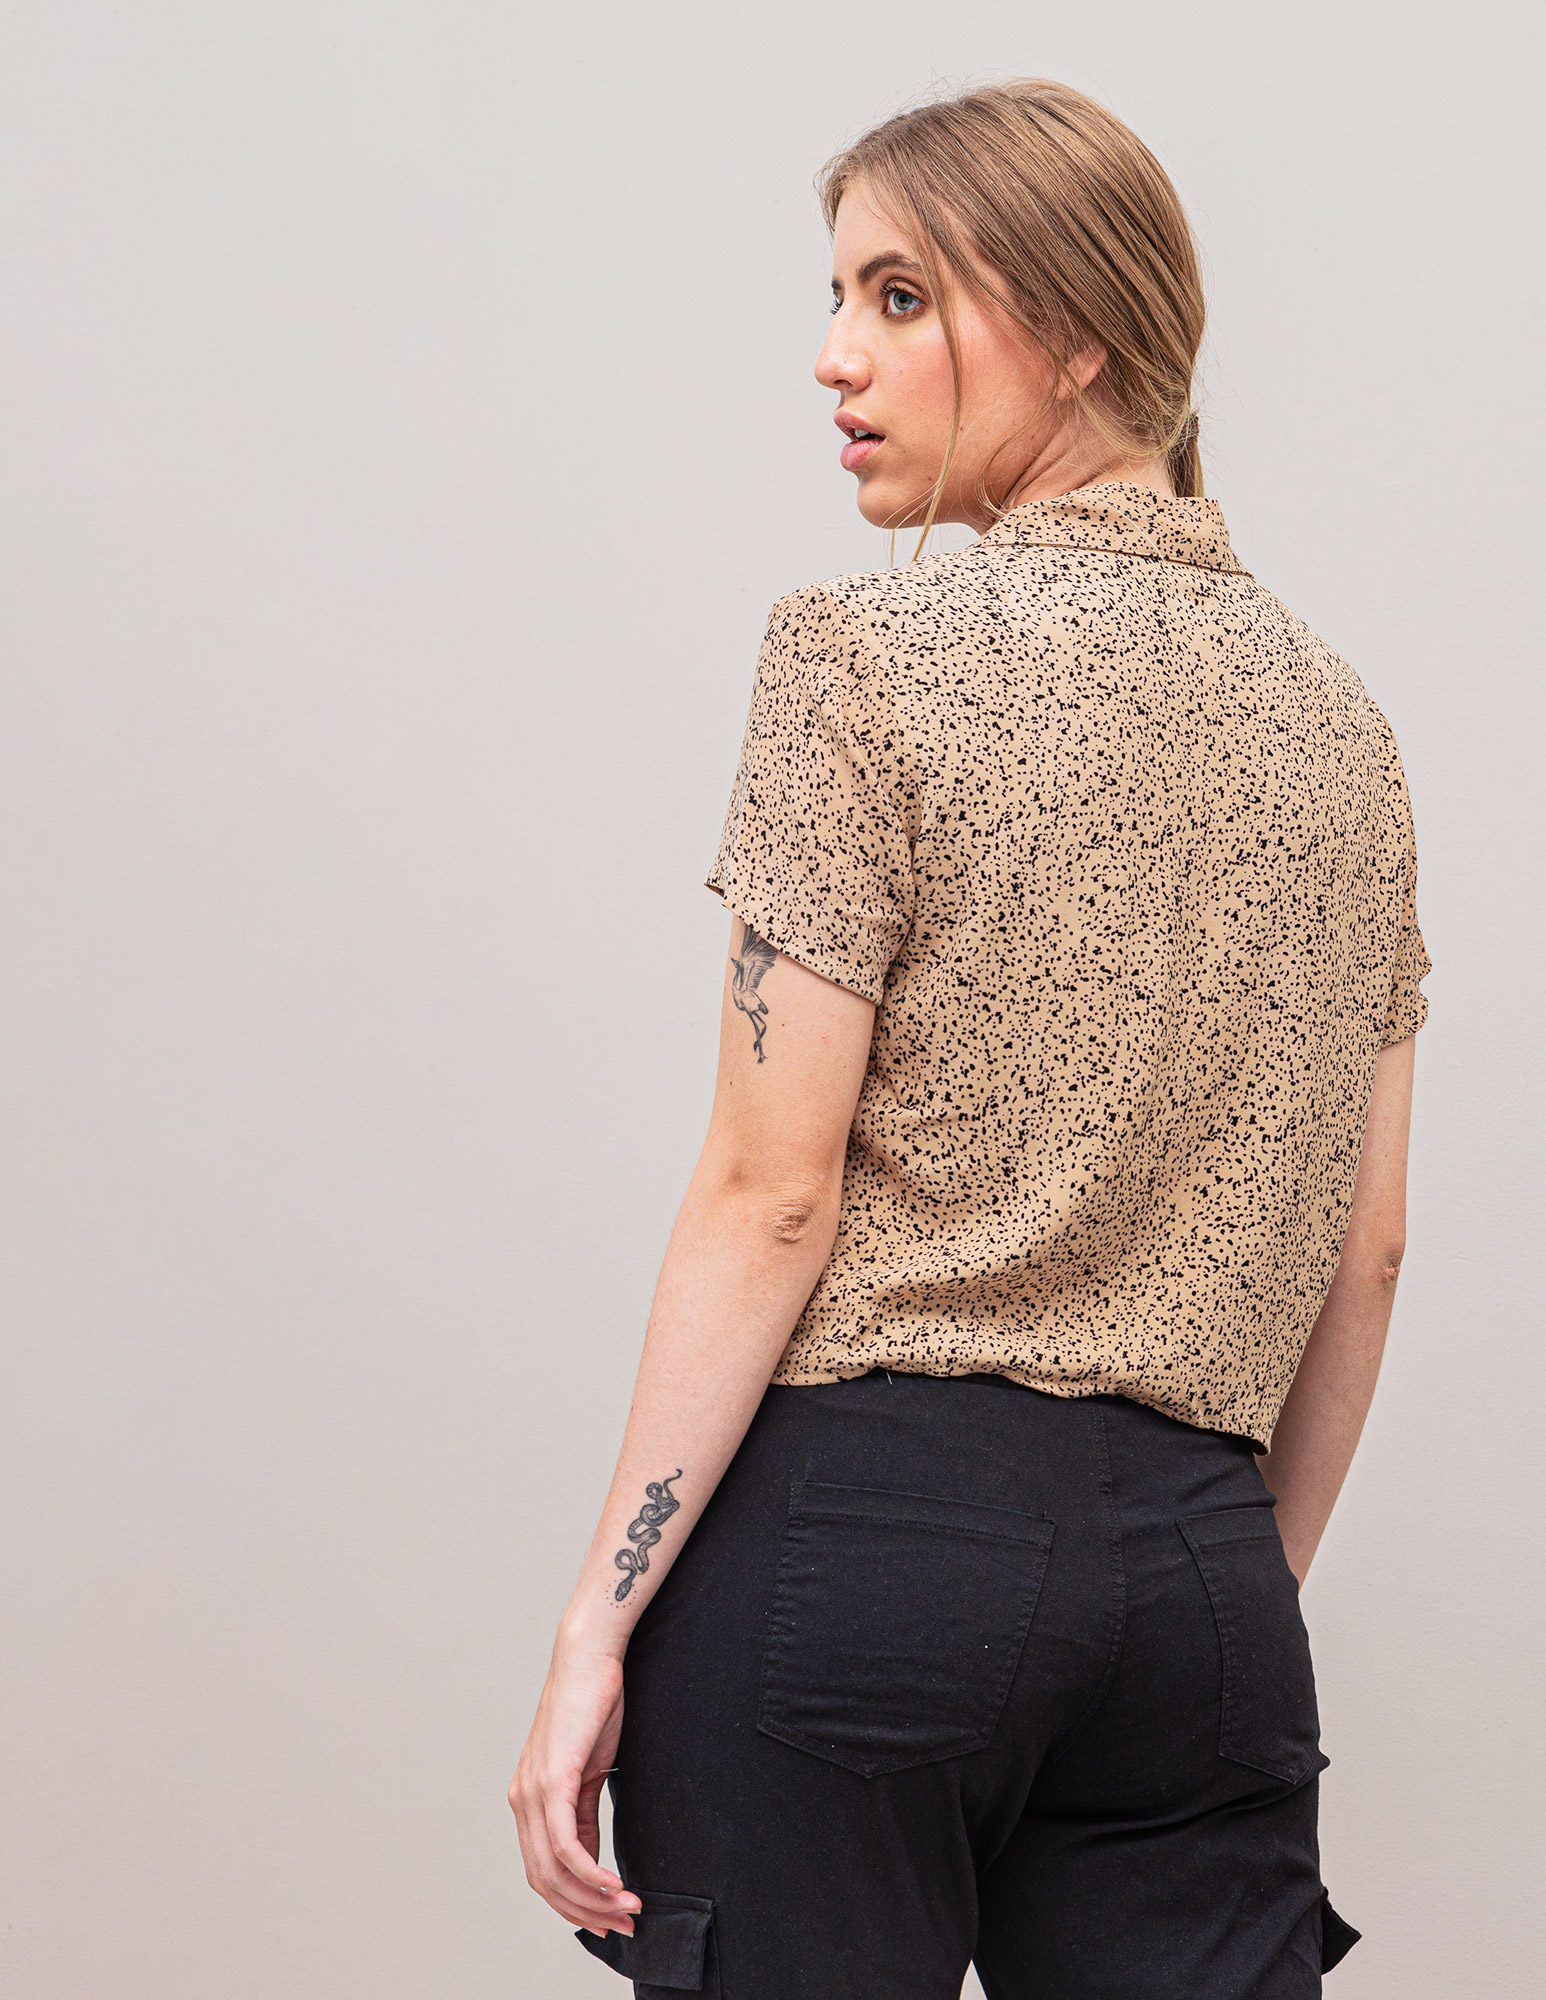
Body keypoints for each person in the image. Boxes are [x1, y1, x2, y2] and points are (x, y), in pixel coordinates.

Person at [509, 77, 1430, 2000]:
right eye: (845, 296)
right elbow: (1368, 1251)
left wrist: (598, 1620)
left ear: (1078, 331)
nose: (836, 356)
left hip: (863, 1554)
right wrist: (1223, 1600)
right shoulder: (1344, 727)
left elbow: (772, 1192)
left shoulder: (862, 655)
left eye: (903, 297)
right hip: (1203, 1578)